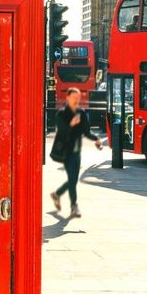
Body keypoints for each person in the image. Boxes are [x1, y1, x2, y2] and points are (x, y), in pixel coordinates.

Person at [50, 87, 102, 219]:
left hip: (77, 152)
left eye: (78, 98)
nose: (76, 100)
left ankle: (57, 194)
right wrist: (71, 124)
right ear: (67, 98)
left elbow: (86, 132)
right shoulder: (61, 113)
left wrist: (96, 139)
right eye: (74, 98)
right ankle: (74, 206)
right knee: (73, 180)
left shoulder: (81, 113)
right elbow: (61, 131)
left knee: (73, 179)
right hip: (65, 152)